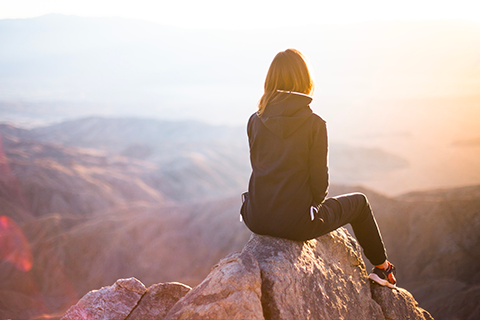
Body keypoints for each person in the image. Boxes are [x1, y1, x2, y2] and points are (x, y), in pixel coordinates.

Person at [240, 48, 396, 288]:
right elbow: (319, 186)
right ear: (305, 80)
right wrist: (308, 210)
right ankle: (382, 268)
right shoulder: (314, 124)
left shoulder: (255, 119)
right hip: (297, 224)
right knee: (361, 203)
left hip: (255, 217)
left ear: (270, 80)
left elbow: (259, 167)